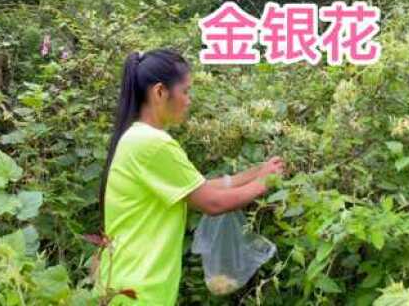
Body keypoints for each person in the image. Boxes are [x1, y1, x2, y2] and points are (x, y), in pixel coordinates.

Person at [95, 49, 284, 305]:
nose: (188, 100)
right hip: (138, 290)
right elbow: (212, 202)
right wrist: (264, 183)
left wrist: (255, 173)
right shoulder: (153, 144)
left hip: (125, 282)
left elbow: (200, 187)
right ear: (160, 92)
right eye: (185, 91)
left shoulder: (136, 137)